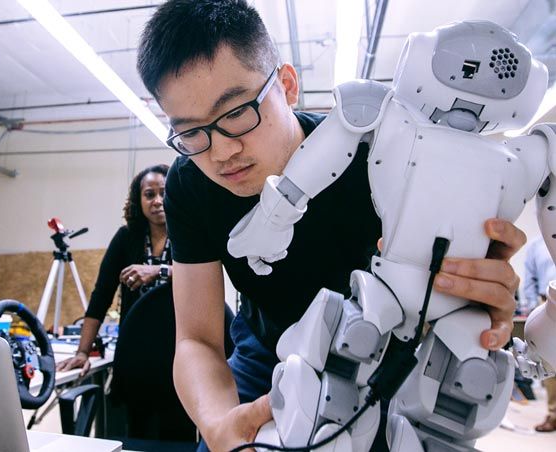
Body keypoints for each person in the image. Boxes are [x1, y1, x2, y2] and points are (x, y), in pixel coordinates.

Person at [136, 1, 525, 451]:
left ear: (287, 85)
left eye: (237, 112)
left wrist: (469, 301)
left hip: (382, 349)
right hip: (268, 349)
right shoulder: (190, 184)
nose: (221, 152)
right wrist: (219, 423)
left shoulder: (381, 162)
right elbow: (197, 339)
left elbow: (452, 298)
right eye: (191, 132)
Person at [56, 164, 172, 376]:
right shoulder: (126, 238)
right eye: (149, 194)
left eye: (164, 193)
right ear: (139, 201)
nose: (157, 201)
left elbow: (203, 277)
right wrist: (82, 352)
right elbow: (101, 296)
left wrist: (159, 271)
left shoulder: (188, 234)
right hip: (133, 348)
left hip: (179, 348)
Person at [522, 237, 556, 432]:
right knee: (550, 363)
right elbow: (530, 278)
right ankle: (553, 414)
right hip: (548, 304)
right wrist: (533, 307)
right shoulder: (537, 246)